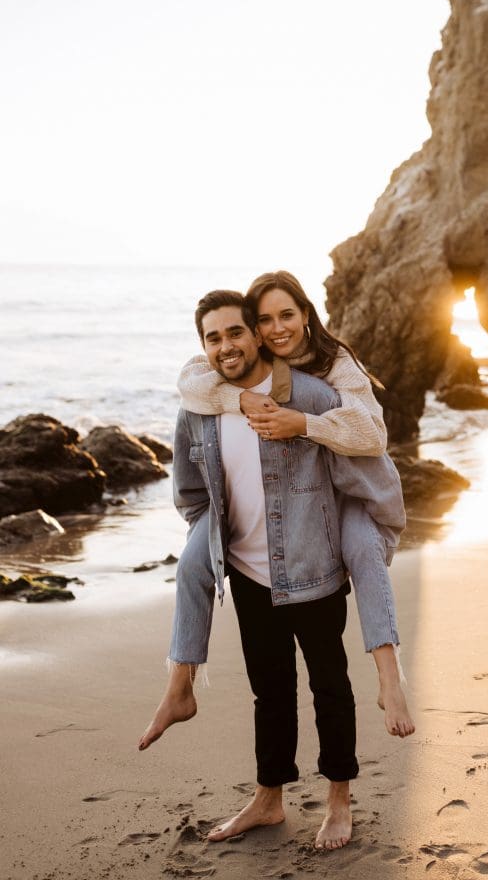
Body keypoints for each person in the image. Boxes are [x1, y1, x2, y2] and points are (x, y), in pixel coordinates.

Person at [139, 290, 406, 849]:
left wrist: (354, 532)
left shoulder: (312, 396)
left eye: (236, 332)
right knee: (270, 691)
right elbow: (190, 492)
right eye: (213, 337)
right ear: (203, 347)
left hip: (315, 569)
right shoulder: (200, 408)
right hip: (248, 571)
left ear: (256, 336)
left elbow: (360, 470)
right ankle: (268, 799)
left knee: (330, 687)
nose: (226, 345)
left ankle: (338, 801)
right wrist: (214, 544)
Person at [176, 270, 414, 737]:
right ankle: (178, 681)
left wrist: (303, 423)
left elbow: (374, 434)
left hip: (349, 490)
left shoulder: (335, 363)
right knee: (192, 565)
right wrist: (240, 397)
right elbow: (190, 381)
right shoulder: (249, 358)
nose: (277, 328)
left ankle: (391, 678)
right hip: (306, 498)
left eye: (287, 314)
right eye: (264, 320)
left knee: (364, 553)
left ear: (306, 315)